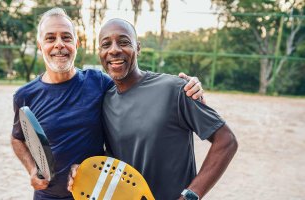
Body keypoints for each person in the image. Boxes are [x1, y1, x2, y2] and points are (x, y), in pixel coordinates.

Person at [11, 8, 204, 200]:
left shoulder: (99, 82)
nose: (59, 44)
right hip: (47, 196)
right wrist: (31, 169)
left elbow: (134, 80)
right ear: (40, 45)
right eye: (51, 38)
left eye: (67, 37)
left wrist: (190, 88)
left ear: (77, 44)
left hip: (98, 193)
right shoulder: (25, 95)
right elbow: (17, 138)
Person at [68, 19, 238, 200]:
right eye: (106, 44)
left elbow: (226, 141)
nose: (114, 49)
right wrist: (80, 170)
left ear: (138, 48)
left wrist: (189, 196)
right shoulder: (105, 100)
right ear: (100, 53)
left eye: (124, 42)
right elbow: (112, 160)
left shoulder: (176, 89)